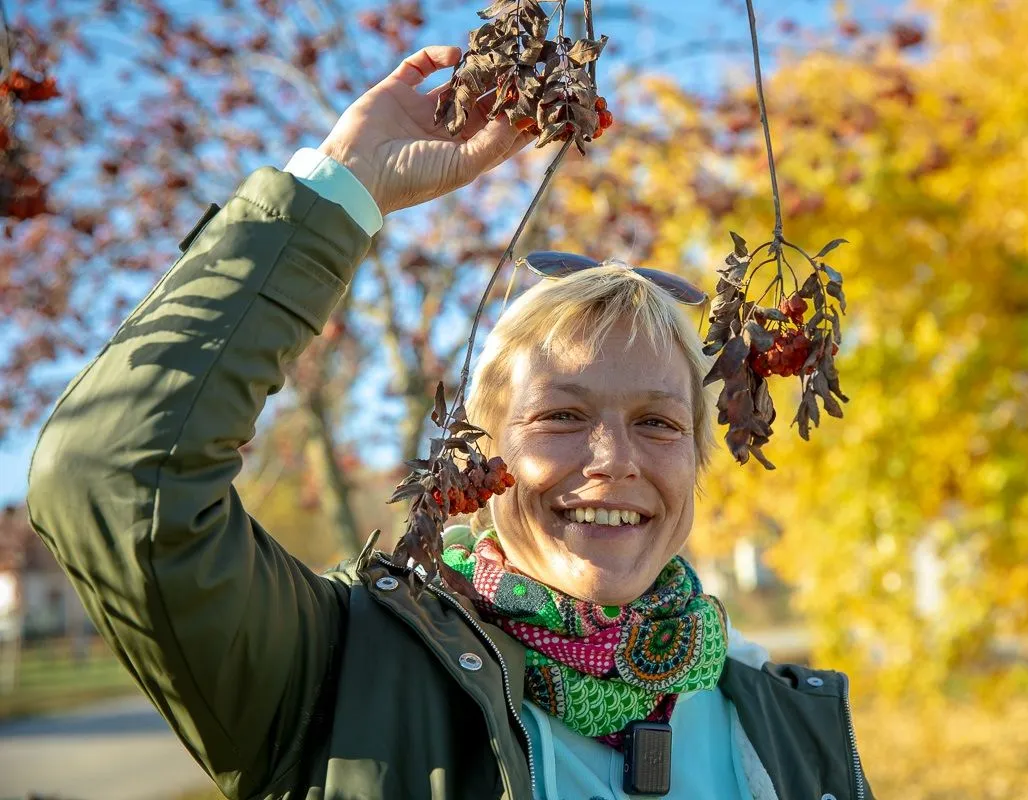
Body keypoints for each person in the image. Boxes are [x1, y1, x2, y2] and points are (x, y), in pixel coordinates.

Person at [25, 45, 873, 800]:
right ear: (480, 454)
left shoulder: (790, 729)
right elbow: (113, 473)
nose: (613, 460)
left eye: (658, 423)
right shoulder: (342, 671)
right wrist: (341, 189)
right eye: (562, 414)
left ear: (697, 455)